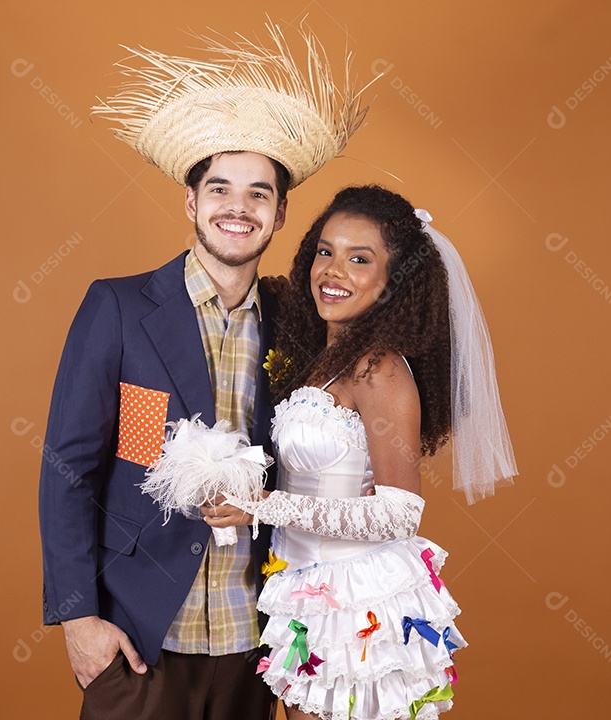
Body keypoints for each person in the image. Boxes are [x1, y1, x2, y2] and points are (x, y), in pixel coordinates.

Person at [37, 22, 373, 720]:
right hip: (141, 635)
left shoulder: (299, 322)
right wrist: (77, 618)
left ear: (280, 214)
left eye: (258, 194)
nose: (237, 208)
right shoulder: (119, 308)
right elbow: (68, 469)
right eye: (220, 189)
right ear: (191, 203)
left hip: (256, 641)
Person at [206, 186, 518, 720]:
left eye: (359, 259)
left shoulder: (379, 369)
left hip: (353, 599)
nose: (334, 271)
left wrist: (261, 505)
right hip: (300, 588)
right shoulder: (322, 357)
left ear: (393, 280)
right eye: (325, 251)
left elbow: (401, 514)